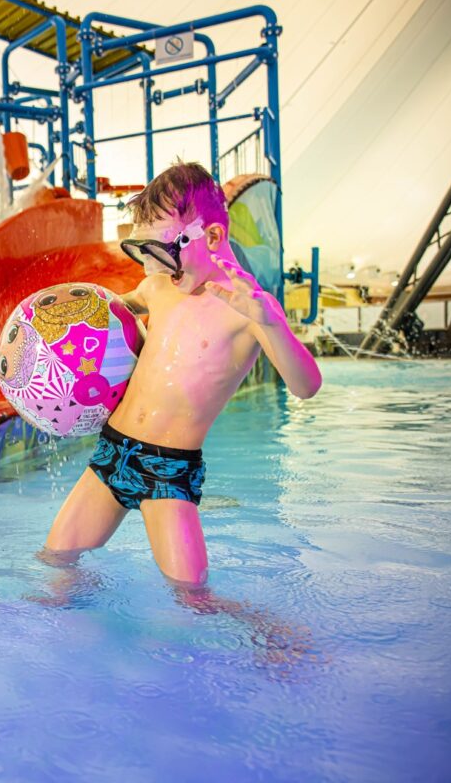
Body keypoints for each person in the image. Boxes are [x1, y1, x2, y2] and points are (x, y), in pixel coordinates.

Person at [43, 162, 322, 586]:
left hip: (168, 471)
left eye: (165, 253)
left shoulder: (248, 312)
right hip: (111, 452)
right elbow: (98, 319)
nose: (154, 269)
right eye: (146, 252)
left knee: (190, 596)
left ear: (212, 237)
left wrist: (272, 324)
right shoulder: (157, 288)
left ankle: (256, 626)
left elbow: (306, 387)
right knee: (55, 563)